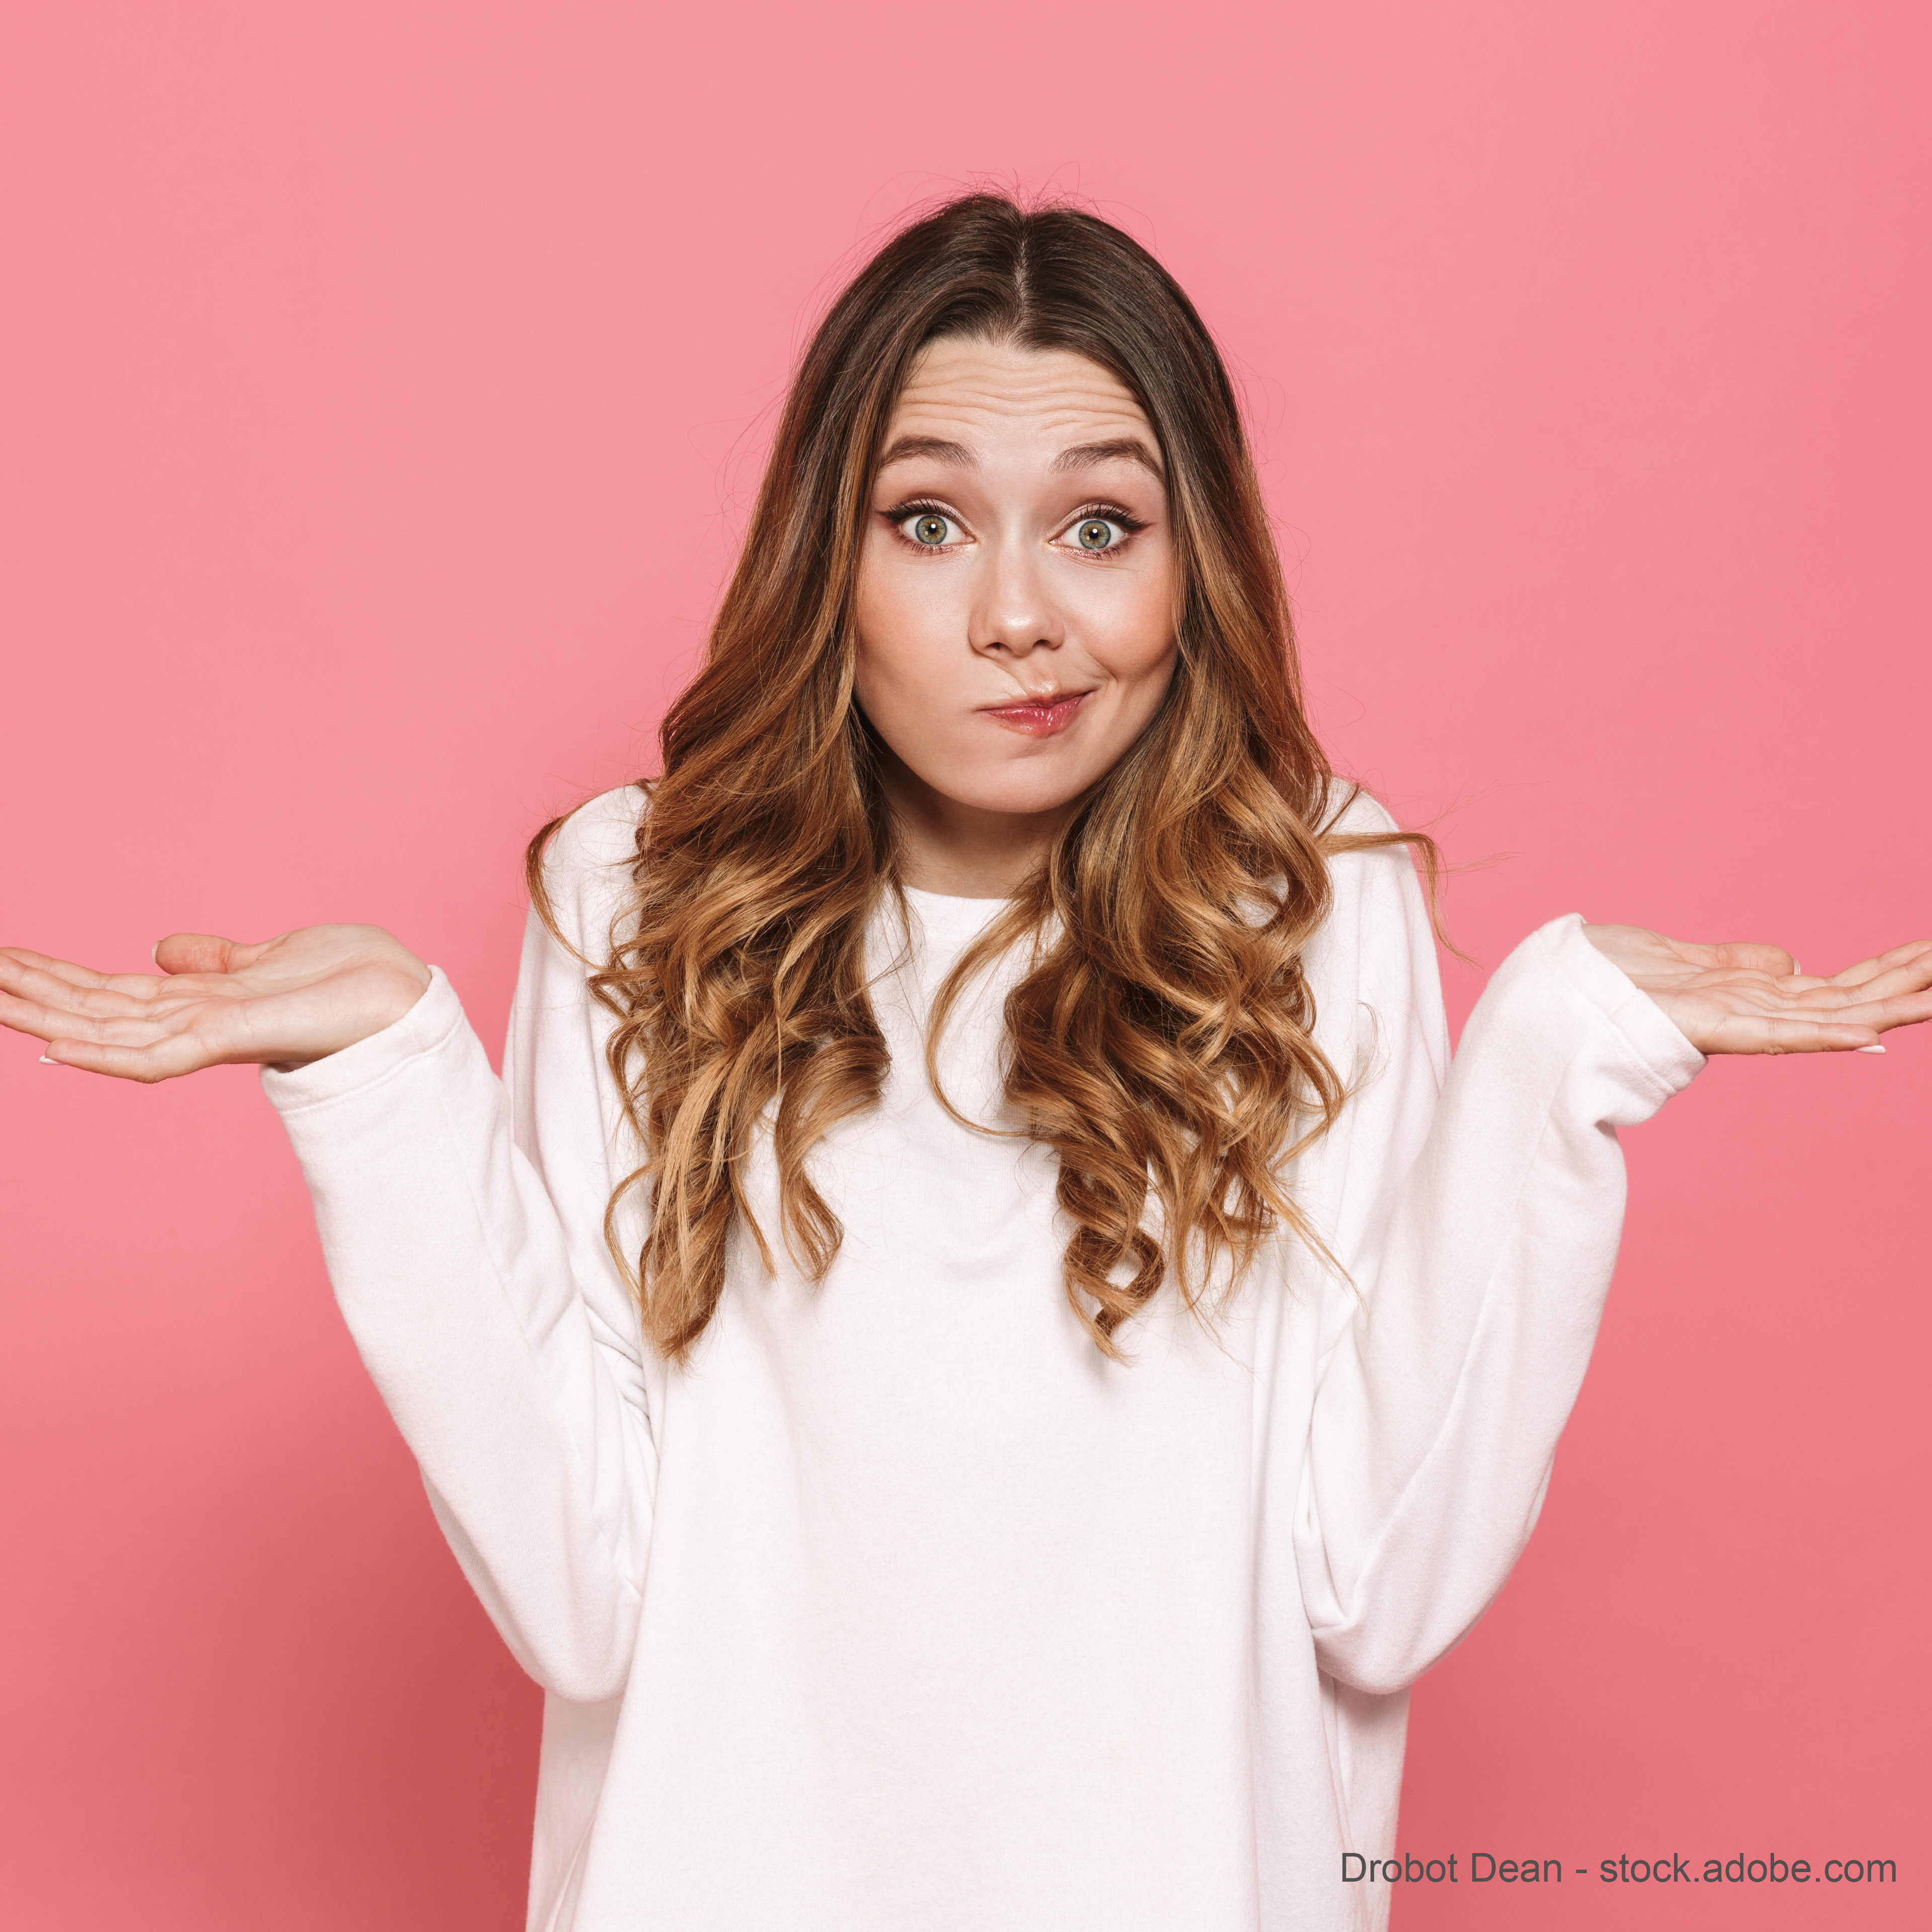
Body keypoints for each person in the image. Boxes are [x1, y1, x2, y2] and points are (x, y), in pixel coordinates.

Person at [2, 194, 1926, 1932]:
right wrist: (390, 1083)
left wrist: (1556, 1056)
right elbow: (581, 1604)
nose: (1024, 614)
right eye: (929, 522)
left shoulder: (1310, 909)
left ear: (1200, 566)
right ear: (824, 558)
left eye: (1104, 524)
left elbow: (1379, 1585)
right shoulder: (639, 893)